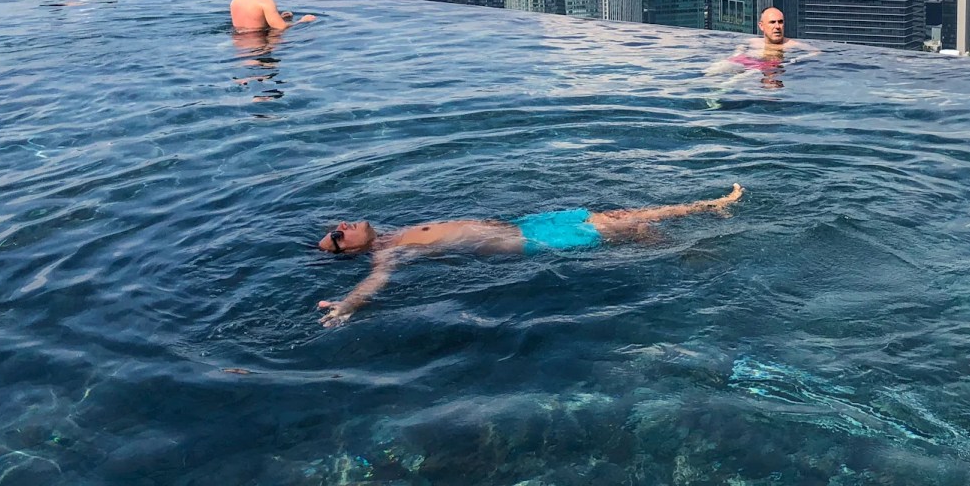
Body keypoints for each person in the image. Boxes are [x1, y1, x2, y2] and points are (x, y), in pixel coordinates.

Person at [315, 183, 744, 327]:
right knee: (630, 229)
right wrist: (346, 307)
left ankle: (705, 207)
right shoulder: (386, 255)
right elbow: (375, 284)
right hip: (528, 244)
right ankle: (687, 254)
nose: (342, 226)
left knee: (614, 215)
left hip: (527, 222)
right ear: (348, 251)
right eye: (336, 237)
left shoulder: (396, 232)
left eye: (338, 225)